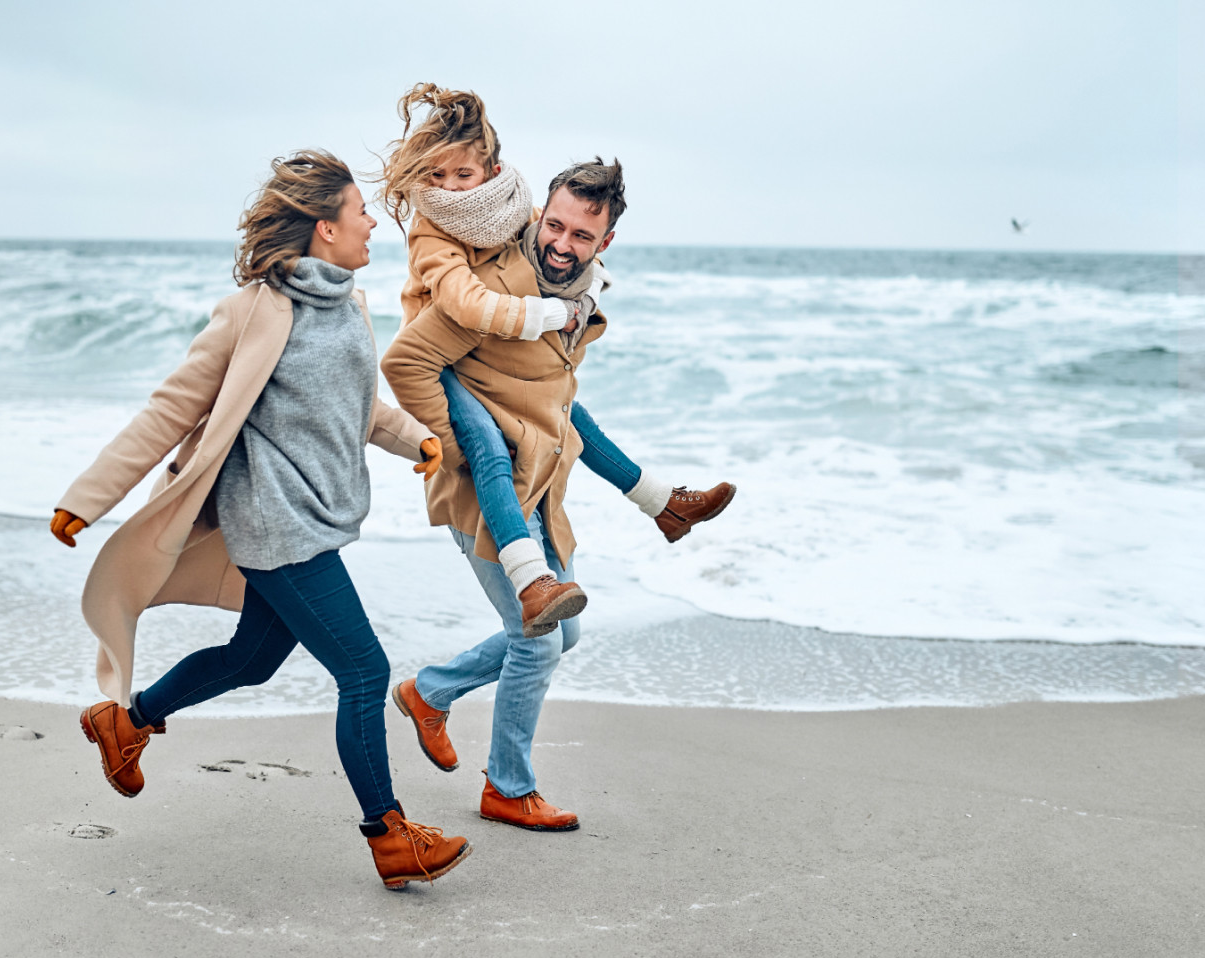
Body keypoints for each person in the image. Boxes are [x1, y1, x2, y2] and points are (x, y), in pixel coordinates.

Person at [49, 150, 470, 890]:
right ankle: (390, 836)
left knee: (252, 659)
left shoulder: (347, 302)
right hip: (274, 522)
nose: (373, 222)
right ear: (323, 227)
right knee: (365, 672)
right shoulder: (254, 310)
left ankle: (127, 722)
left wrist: (417, 438)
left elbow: (354, 404)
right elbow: (173, 405)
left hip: (318, 513)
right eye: (360, 211)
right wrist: (89, 496)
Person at [380, 157, 736, 832]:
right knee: (537, 640)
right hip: (485, 497)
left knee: (563, 633)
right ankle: (507, 788)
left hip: (538, 491)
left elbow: (560, 404)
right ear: (538, 215)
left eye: (580, 234)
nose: (561, 243)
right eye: (554, 225)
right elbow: (404, 361)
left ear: (605, 243)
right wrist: (457, 452)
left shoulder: (582, 294)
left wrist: (646, 489)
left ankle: (430, 693)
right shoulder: (496, 290)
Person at [375, 83, 735, 639]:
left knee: (572, 415)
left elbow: (550, 249)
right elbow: (459, 304)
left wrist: (584, 297)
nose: (448, 188)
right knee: (487, 448)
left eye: (462, 175)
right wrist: (549, 314)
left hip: (495, 352)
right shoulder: (433, 227)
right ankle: (529, 579)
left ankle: (663, 502)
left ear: (492, 173)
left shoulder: (513, 213)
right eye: (437, 176)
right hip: (446, 362)